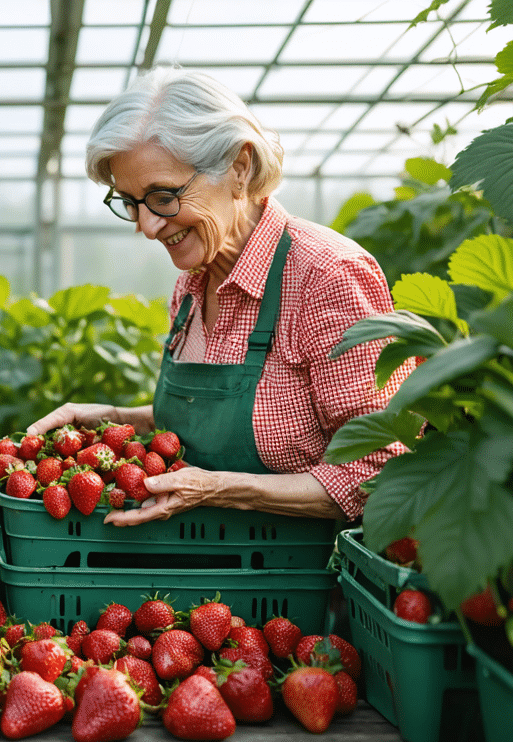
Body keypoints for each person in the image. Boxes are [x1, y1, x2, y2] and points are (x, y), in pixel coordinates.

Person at [28, 68, 412, 525]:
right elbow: (233, 417)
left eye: (163, 197)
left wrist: (218, 488)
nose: (146, 227)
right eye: (130, 202)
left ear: (239, 168)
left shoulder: (326, 278)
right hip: (195, 573)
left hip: (301, 577)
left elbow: (379, 474)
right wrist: (116, 416)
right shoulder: (192, 283)